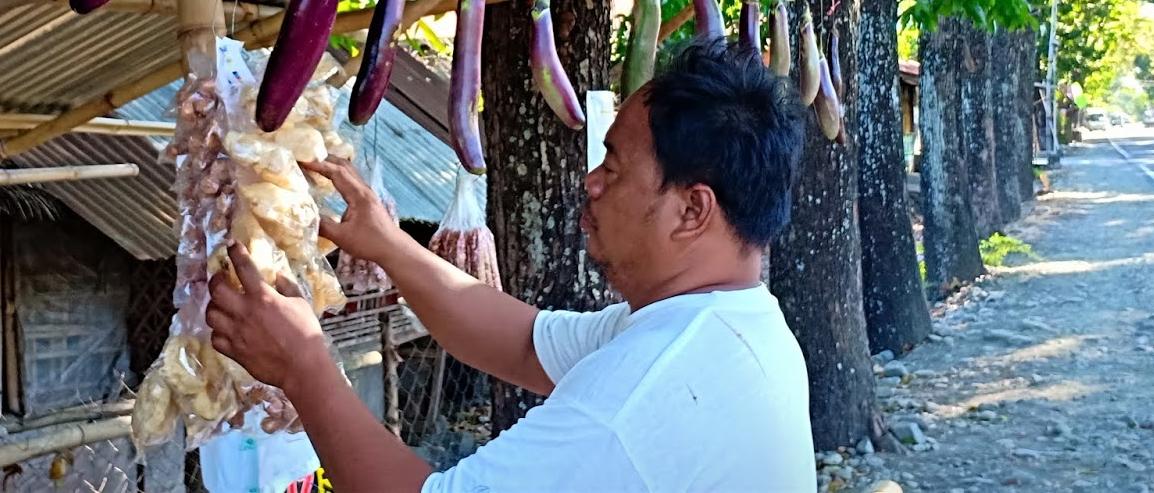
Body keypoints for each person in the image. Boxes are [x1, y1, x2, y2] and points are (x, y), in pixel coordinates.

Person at [206, 38, 816, 493]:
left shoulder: (635, 401)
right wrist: (391, 245)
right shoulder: (727, 324)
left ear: (691, 210)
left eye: (614, 166)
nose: (591, 182)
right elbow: (524, 343)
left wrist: (304, 366)